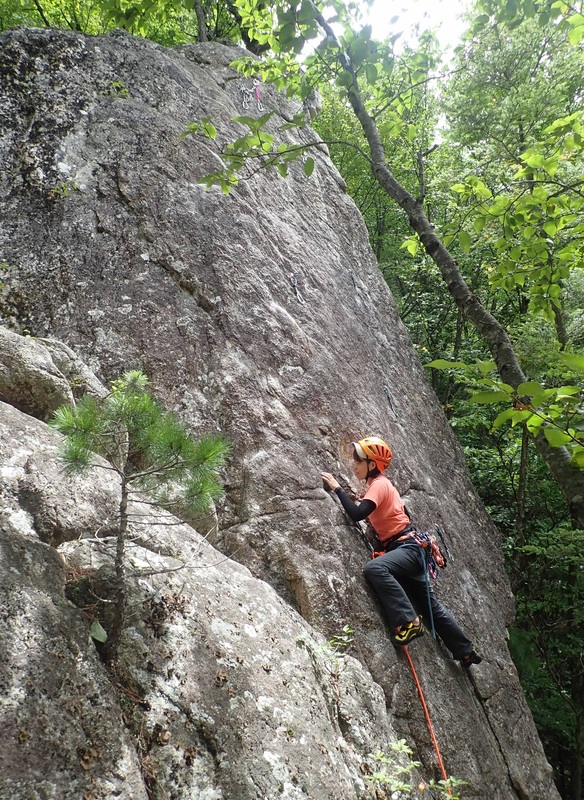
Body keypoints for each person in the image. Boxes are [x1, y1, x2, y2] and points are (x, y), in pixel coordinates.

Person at [322, 436, 481, 667]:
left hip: (408, 549)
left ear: (372, 464)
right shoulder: (380, 486)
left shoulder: (379, 485)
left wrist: (337, 488)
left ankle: (410, 622)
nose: (354, 465)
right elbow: (385, 513)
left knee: (375, 569)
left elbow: (357, 514)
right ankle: (465, 650)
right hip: (411, 550)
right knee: (430, 606)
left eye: (358, 461)